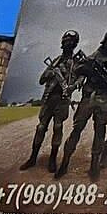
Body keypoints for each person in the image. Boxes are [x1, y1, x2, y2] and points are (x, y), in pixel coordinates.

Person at [57, 29, 107, 179]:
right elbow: (79, 69)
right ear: (105, 41)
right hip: (88, 98)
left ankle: (94, 166)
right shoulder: (94, 56)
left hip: (104, 99)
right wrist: (90, 73)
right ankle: (65, 163)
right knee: (77, 129)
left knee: (100, 131)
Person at [21, 30, 79, 172]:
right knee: (41, 128)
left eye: (70, 42)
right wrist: (53, 73)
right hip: (49, 98)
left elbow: (80, 79)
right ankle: (33, 157)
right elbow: (42, 79)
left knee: (58, 127)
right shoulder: (56, 61)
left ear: (75, 44)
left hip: (63, 99)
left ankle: (52, 159)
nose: (67, 44)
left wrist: (72, 86)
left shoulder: (76, 63)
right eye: (66, 41)